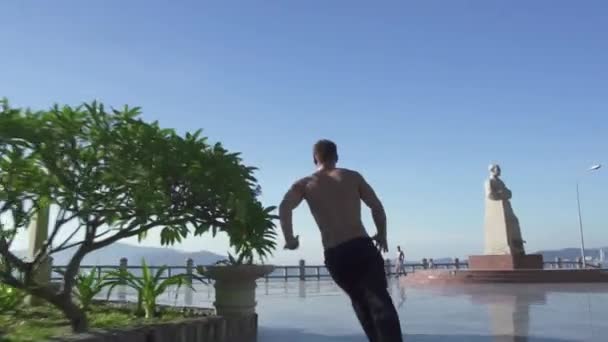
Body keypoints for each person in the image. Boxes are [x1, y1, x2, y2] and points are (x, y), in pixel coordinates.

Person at [279, 139, 403, 342]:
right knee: (380, 300)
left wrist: (290, 239)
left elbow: (284, 207)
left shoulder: (305, 184)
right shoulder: (352, 177)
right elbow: (377, 207)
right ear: (336, 157)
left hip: (335, 253)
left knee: (360, 301)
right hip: (362, 246)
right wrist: (381, 234)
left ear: (314, 159)